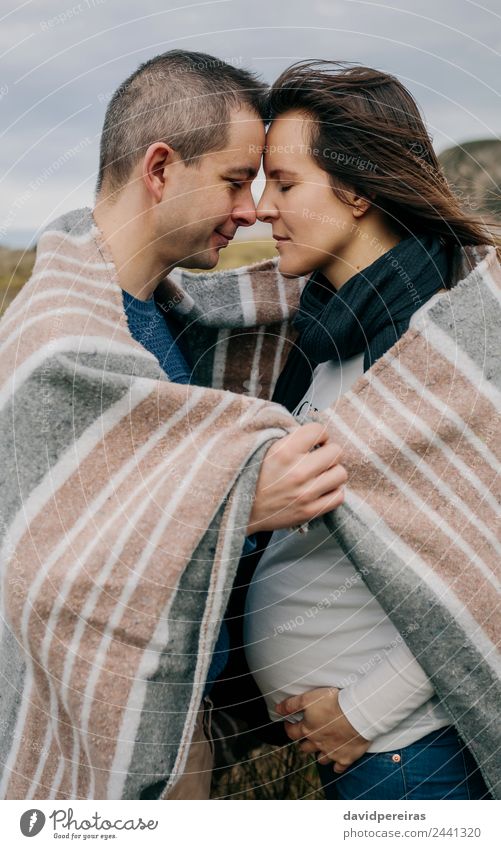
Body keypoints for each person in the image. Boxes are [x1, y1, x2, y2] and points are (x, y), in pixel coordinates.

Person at [0, 51, 347, 800]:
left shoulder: (169, 313)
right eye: (233, 180)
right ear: (159, 169)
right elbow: (39, 569)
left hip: (181, 724)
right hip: (96, 751)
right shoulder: (59, 347)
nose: (251, 208)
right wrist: (232, 503)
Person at [242, 60, 499, 800]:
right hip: (366, 761)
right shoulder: (321, 337)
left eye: (285, 183)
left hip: (413, 755)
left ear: (355, 189)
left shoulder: (453, 344)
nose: (263, 208)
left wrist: (361, 711)